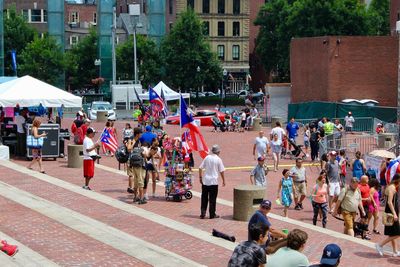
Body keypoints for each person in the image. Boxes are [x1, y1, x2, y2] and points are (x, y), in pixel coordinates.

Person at [375, 174, 400, 257]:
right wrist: (395, 214)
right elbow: (389, 202)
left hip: (391, 212)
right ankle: (380, 245)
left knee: (392, 233)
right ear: (398, 180)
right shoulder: (391, 188)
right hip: (391, 213)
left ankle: (395, 251)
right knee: (397, 233)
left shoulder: (391, 187)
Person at [199, 144, 225, 219]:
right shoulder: (218, 159)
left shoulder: (207, 157)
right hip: (213, 182)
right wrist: (223, 180)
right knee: (212, 199)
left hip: (205, 181)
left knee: (204, 198)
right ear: (218, 152)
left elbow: (200, 168)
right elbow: (221, 171)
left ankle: (203, 213)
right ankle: (212, 214)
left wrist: (200, 178)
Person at [126, 127, 148, 204]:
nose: (141, 135)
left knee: (136, 181)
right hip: (134, 163)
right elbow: (129, 149)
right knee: (140, 180)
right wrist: (133, 143)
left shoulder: (138, 141)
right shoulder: (131, 140)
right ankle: (141, 198)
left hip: (137, 162)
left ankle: (136, 197)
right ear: (138, 134)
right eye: (140, 133)